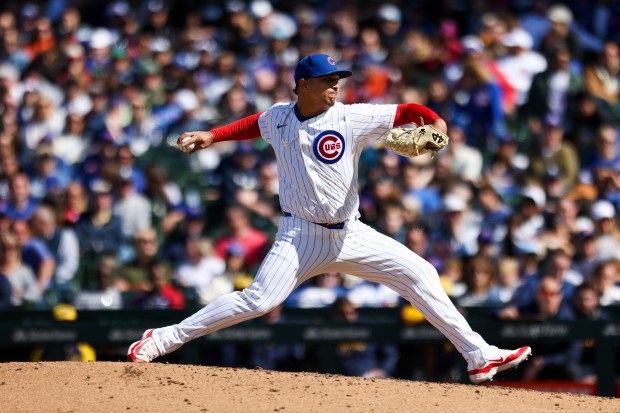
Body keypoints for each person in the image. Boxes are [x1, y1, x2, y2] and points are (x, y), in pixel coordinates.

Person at [128, 53, 531, 384]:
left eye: (338, 78)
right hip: (299, 236)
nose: (336, 85)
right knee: (258, 300)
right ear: (303, 85)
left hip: (350, 233)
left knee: (421, 273)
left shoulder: (350, 117)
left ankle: (478, 355)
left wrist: (436, 123)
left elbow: (408, 110)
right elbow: (255, 124)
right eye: (327, 79)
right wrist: (212, 136)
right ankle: (163, 339)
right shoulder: (279, 117)